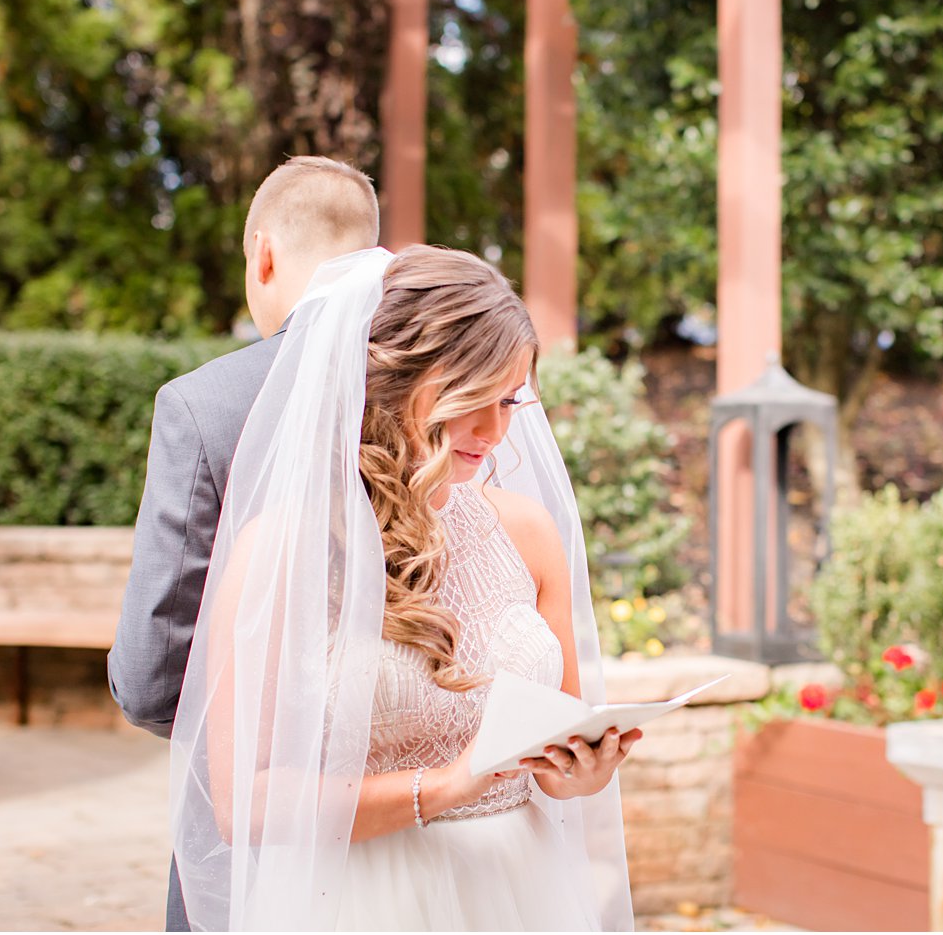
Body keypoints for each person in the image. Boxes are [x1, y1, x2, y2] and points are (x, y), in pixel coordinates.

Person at [168, 245, 637, 930]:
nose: (496, 429)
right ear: (393, 380)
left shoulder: (529, 533)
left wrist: (581, 769)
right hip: (365, 898)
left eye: (510, 400)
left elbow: (554, 748)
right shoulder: (283, 550)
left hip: (520, 891)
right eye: (474, 397)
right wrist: (443, 787)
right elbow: (247, 802)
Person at [109, 155, 383, 931]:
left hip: (260, 834)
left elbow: (151, 673)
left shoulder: (204, 405)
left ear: (262, 253)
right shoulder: (445, 387)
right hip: (431, 820)